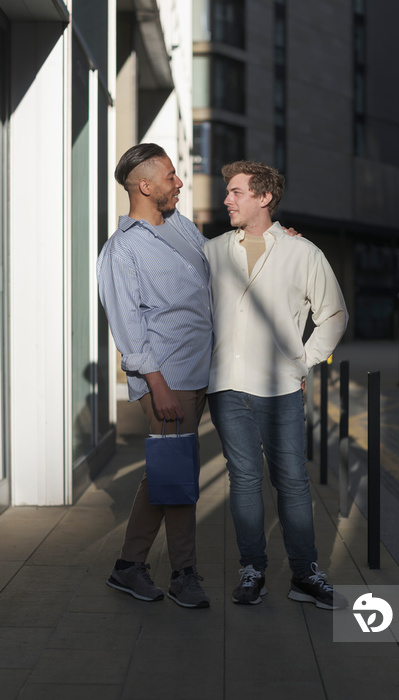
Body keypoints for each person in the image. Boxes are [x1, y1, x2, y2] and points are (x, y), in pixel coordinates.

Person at [205, 161, 349, 609]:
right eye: (226, 192)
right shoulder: (210, 252)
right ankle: (254, 570)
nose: (226, 199)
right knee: (244, 480)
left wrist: (301, 363)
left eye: (236, 192)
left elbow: (334, 314)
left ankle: (305, 574)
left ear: (264, 197)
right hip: (226, 385)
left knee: (292, 480)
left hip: (281, 388)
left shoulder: (301, 252)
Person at [97, 143, 212, 608]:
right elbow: (127, 327)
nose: (179, 182)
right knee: (178, 474)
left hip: (204, 371)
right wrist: (157, 385)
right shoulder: (121, 250)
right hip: (169, 378)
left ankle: (127, 566)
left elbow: (219, 266)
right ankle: (183, 574)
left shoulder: (182, 227)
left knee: (165, 473)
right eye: (170, 176)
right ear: (145, 186)